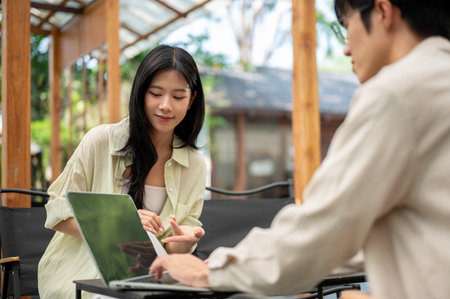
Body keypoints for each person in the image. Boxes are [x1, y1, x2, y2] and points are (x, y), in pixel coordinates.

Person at [149, 1, 450, 299]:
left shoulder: (396, 93)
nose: (345, 48)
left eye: (345, 25)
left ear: (383, 11)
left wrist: (208, 271)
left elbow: (325, 230)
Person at [38, 45, 207, 298]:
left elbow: (172, 254)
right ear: (140, 94)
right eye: (156, 93)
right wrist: (119, 224)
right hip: (83, 277)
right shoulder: (100, 141)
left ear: (192, 99)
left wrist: (186, 243)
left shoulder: (194, 164)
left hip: (149, 282)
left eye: (178, 97)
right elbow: (55, 214)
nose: (165, 105)